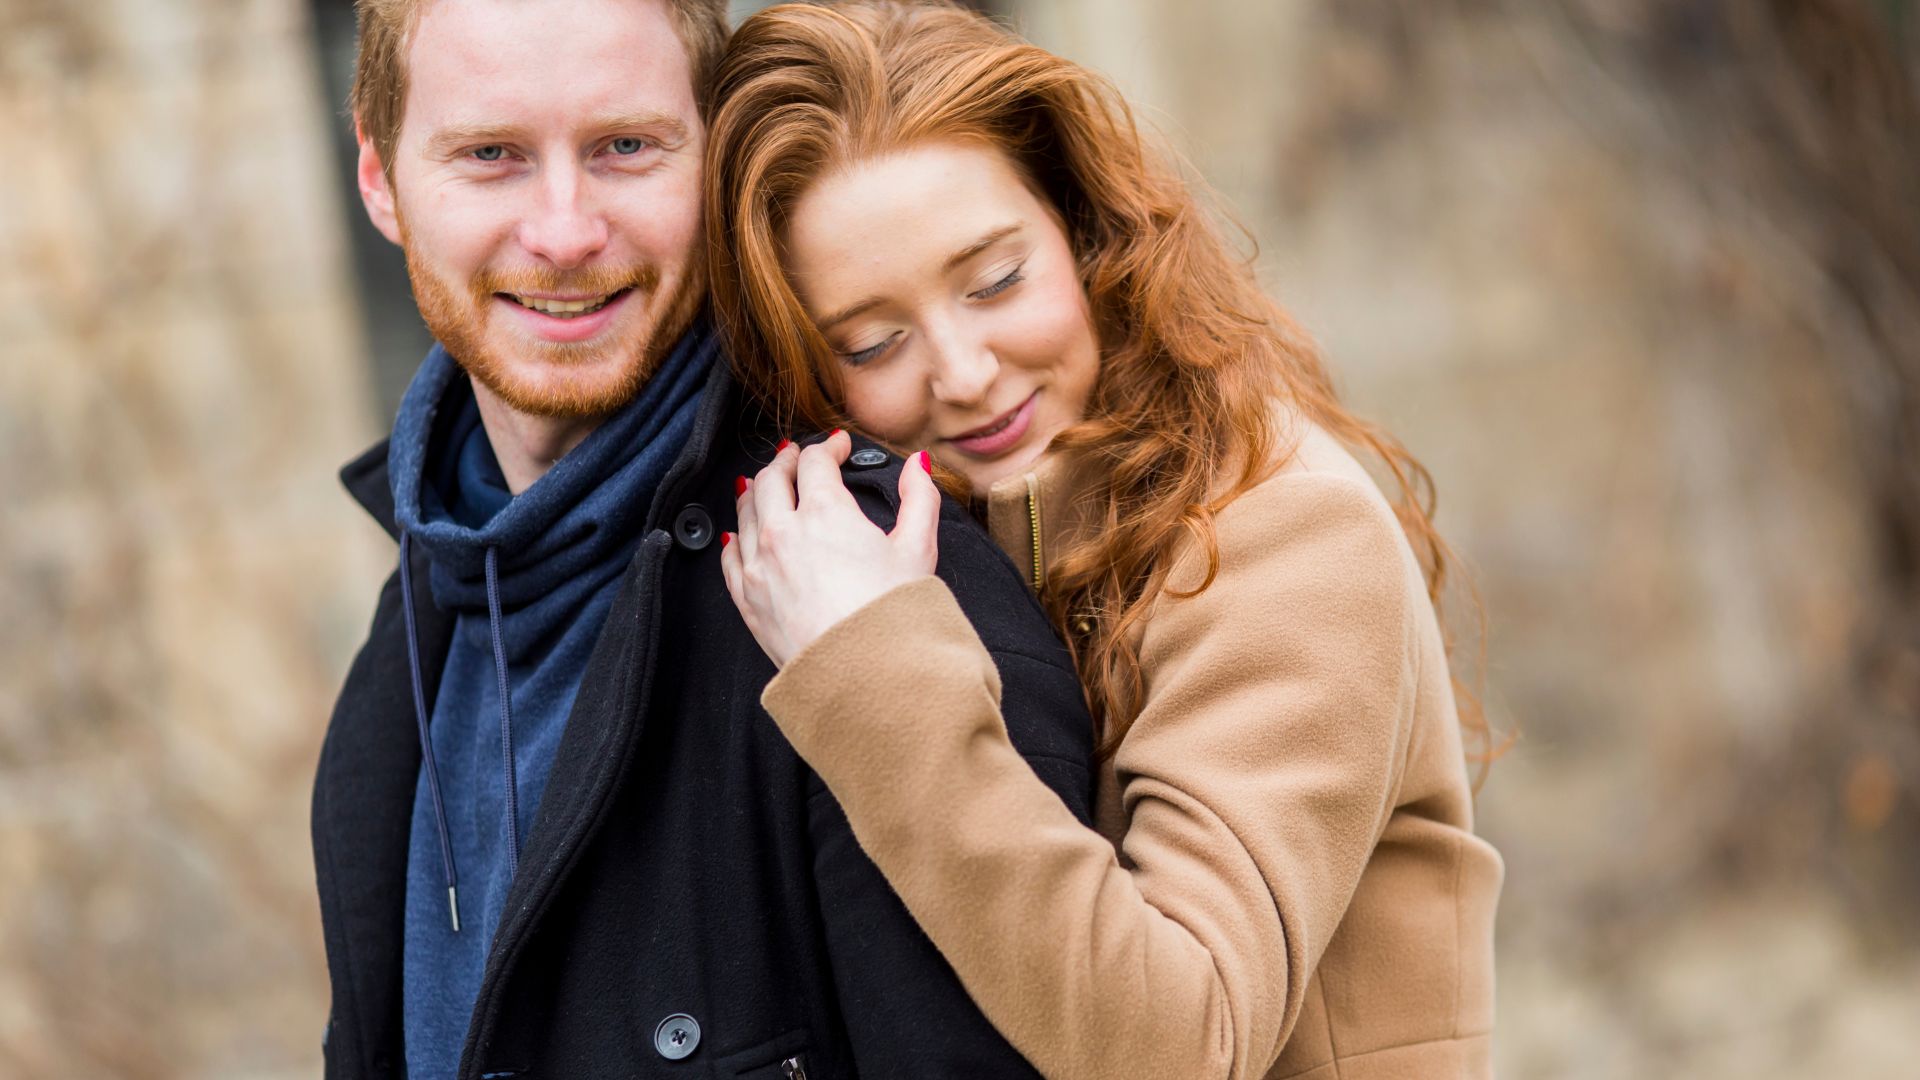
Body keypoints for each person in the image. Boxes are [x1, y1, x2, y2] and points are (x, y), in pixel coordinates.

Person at [707, 2, 1505, 1078]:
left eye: (996, 281)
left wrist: (873, 670)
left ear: (1082, 230)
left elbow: (1183, 1041)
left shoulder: (1280, 531)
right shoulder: (950, 524)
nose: (966, 370)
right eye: (874, 340)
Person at [314, 1, 1093, 1076]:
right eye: (490, 154)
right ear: (377, 174)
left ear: (716, 158)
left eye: (624, 148)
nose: (565, 231)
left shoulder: (883, 596)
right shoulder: (419, 620)